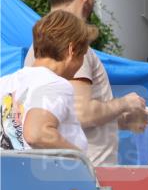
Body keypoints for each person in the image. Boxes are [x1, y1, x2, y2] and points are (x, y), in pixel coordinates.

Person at [23, 0, 148, 165]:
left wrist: (122, 120)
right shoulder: (70, 46)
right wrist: (125, 103)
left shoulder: (40, 47)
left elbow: (66, 114)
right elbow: (82, 113)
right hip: (87, 181)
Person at [1, 11, 96, 152]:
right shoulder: (54, 84)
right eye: (82, 54)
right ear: (72, 50)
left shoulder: (5, 83)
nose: (81, 64)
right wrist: (80, 159)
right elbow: (36, 134)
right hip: (44, 173)